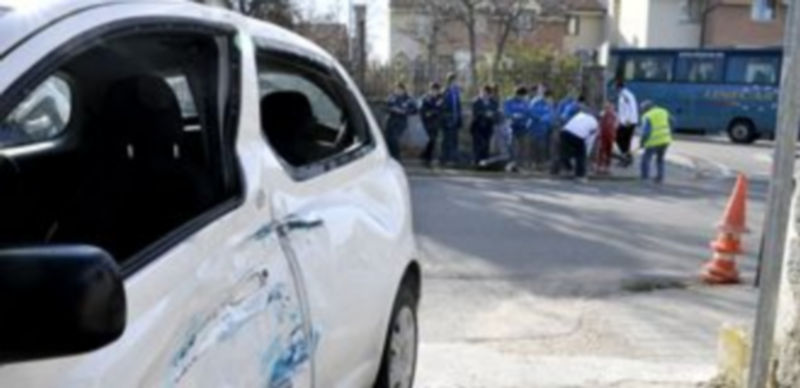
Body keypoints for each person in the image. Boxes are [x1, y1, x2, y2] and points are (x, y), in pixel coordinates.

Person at [556, 104, 599, 181]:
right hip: (578, 136)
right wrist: (587, 153)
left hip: (565, 132)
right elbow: (590, 140)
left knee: (564, 151)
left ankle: (567, 169)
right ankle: (580, 176)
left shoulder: (581, 114)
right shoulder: (596, 124)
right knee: (580, 155)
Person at [639, 100, 673, 184]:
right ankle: (660, 177)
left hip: (653, 141)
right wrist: (668, 132)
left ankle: (645, 176)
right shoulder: (663, 111)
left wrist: (642, 142)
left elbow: (645, 132)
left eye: (643, 110)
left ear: (646, 109)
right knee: (660, 159)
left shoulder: (647, 116)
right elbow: (672, 122)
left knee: (646, 158)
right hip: (665, 140)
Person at [385, 82, 416, 160]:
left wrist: (404, 111)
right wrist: (392, 109)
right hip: (391, 119)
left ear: (404, 90)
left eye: (400, 90)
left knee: (395, 139)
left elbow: (414, 110)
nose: (398, 91)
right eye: (397, 89)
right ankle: (390, 156)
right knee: (388, 138)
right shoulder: (391, 97)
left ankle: (396, 157)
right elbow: (386, 106)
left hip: (401, 121)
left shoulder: (408, 99)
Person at [528, 89, 555, 170]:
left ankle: (542, 164)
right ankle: (534, 163)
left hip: (547, 129)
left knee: (544, 147)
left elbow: (552, 115)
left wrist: (550, 122)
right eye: (549, 98)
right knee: (536, 147)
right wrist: (540, 118)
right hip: (535, 129)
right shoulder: (536, 102)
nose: (549, 100)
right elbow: (530, 112)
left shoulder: (550, 105)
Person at [470, 85, 498, 164]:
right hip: (477, 126)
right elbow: (475, 112)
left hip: (488, 126)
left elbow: (496, 112)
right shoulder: (476, 101)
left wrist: (492, 114)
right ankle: (476, 160)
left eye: (487, 94)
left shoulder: (493, 102)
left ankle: (484, 161)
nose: (485, 95)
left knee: (486, 144)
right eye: (484, 93)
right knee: (478, 144)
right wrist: (485, 113)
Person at [420, 82, 445, 167]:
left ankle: (427, 157)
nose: (435, 92)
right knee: (430, 140)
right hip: (427, 123)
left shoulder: (440, 99)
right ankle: (426, 157)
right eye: (433, 90)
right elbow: (424, 112)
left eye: (437, 90)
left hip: (436, 122)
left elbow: (442, 110)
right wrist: (435, 108)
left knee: (433, 141)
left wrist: (436, 109)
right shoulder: (426, 98)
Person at [615, 79, 638, 167]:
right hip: (629, 121)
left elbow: (629, 109)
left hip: (628, 122)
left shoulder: (624, 95)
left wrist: (625, 121)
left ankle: (626, 157)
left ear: (618, 87)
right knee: (625, 141)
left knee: (619, 138)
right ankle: (627, 158)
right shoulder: (627, 94)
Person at [504, 86, 529, 165]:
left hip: (522, 126)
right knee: (512, 144)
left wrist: (524, 117)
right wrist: (513, 115)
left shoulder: (524, 102)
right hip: (512, 125)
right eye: (522, 96)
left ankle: (520, 162)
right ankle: (511, 161)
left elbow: (527, 112)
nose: (522, 98)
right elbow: (506, 112)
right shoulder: (509, 101)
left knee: (523, 145)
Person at [442, 73, 463, 166]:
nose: (457, 82)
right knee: (447, 140)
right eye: (455, 80)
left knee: (455, 140)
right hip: (447, 120)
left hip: (456, 119)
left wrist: (459, 118)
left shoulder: (457, 92)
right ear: (450, 81)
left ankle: (453, 159)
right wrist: (447, 117)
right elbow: (443, 106)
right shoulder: (446, 92)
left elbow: (458, 106)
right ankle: (446, 159)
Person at [596, 102, 617, 175]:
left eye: (611, 108)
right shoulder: (602, 114)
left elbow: (615, 126)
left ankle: (607, 167)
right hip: (603, 135)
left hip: (610, 135)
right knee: (602, 151)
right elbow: (599, 124)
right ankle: (600, 167)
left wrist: (614, 135)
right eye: (608, 108)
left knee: (609, 152)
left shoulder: (614, 115)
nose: (610, 109)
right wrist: (598, 134)